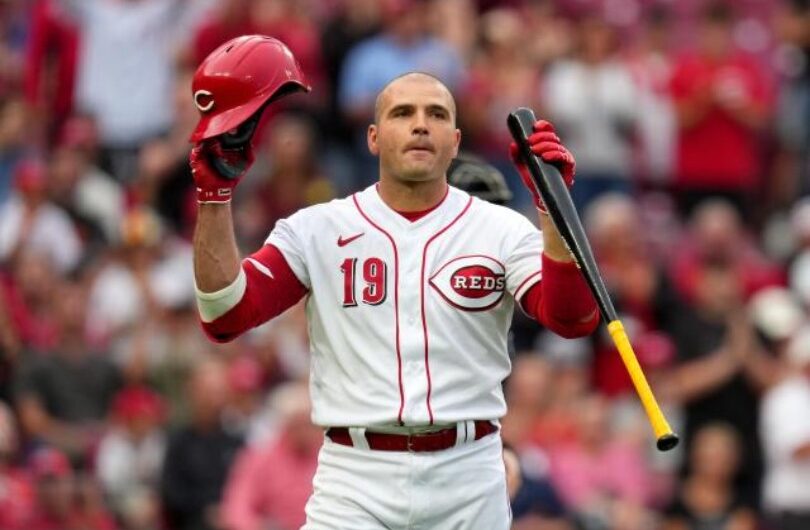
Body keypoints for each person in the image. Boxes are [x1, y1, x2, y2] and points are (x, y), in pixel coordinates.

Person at [189, 35, 598, 529]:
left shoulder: (501, 228)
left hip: (467, 473)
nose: (421, 124)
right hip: (355, 473)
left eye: (437, 114)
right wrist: (214, 195)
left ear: (455, 141)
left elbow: (572, 317)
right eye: (402, 113)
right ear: (373, 137)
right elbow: (224, 315)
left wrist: (550, 209)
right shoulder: (316, 228)